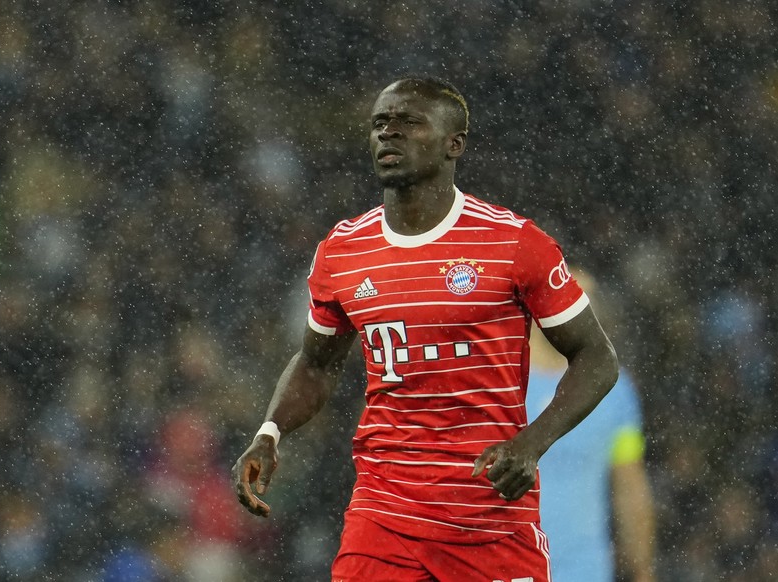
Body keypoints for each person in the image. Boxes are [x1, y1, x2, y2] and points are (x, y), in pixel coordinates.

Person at [233, 75, 619, 582]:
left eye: (409, 122)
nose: (388, 133)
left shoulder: (513, 243)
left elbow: (596, 357)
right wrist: (270, 431)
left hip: (487, 519)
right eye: (380, 123)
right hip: (383, 519)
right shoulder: (344, 250)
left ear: (454, 144)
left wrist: (531, 443)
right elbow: (315, 362)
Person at [525, 269, 655, 582]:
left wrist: (643, 570)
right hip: (508, 568)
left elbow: (630, 487)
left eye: (586, 298)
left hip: (585, 572)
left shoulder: (615, 391)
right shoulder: (501, 381)